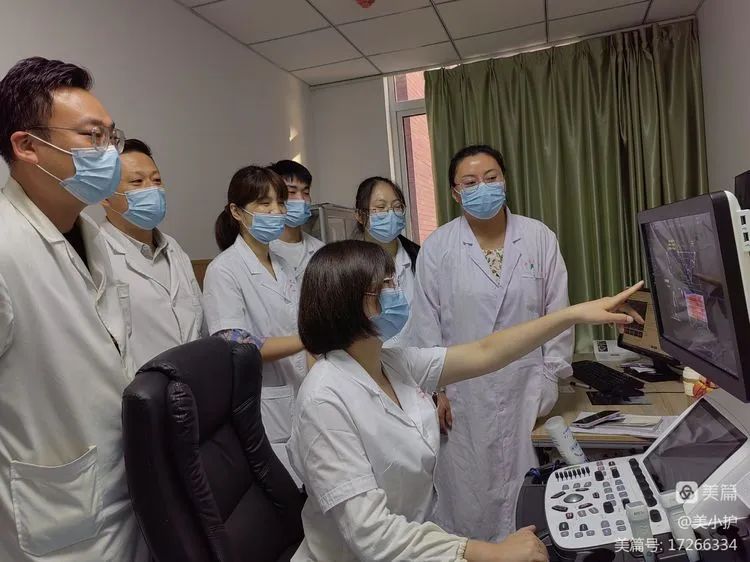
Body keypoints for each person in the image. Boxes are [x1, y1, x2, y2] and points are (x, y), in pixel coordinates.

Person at [287, 240, 642, 562]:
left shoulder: (393, 364)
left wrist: (574, 313)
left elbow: (487, 352)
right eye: (386, 285)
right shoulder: (325, 398)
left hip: (409, 547)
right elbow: (371, 534)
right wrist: (487, 551)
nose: (398, 293)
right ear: (349, 302)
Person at [0, 57, 147, 560]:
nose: (111, 154)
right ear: (27, 146)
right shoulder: (5, 246)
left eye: (111, 136)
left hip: (125, 491)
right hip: (54, 516)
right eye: (92, 136)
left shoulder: (93, 237)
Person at [404, 144, 575, 541]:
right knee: (469, 505)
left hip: (528, 388)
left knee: (528, 501)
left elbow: (558, 314)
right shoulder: (438, 248)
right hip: (464, 396)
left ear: (505, 181)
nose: (482, 187)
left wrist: (551, 377)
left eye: (490, 178)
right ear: (455, 193)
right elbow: (425, 324)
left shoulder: (538, 237)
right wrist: (436, 391)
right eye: (469, 182)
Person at [202, 165, 307, 482]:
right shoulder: (224, 270)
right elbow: (236, 345)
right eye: (264, 203)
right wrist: (308, 339)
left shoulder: (284, 265)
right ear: (236, 211)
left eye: (280, 203)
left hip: (300, 394)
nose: (276, 211)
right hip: (265, 406)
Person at [98, 138, 204, 368]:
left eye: (156, 180)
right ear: (105, 195)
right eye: (137, 182)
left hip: (194, 382)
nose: (152, 189)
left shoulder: (174, 249)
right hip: (137, 387)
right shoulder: (95, 253)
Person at [268, 159, 324, 282]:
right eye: (291, 192)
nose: (301, 199)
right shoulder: (261, 249)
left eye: (306, 192)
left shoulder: (320, 249)